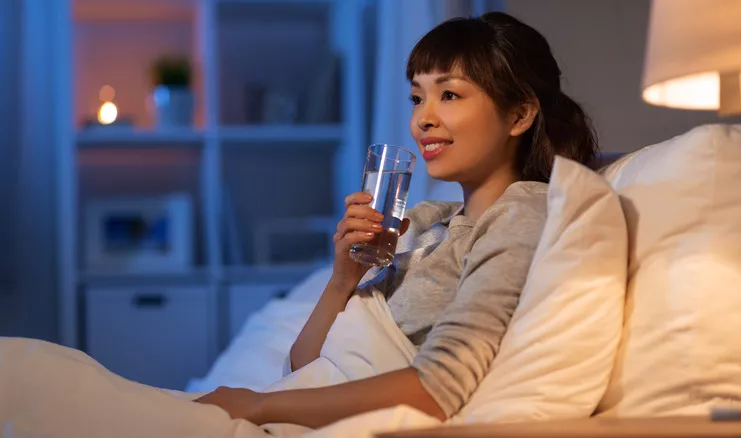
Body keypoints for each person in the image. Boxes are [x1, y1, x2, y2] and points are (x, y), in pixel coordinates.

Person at [194, 11, 598, 428]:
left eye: (450, 95)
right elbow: (303, 367)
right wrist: (343, 281)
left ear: (519, 115)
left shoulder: (521, 213)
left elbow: (439, 386)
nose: (422, 118)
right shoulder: (426, 221)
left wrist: (257, 407)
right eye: (417, 97)